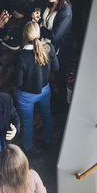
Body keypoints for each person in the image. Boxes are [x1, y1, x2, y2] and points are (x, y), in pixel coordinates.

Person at [14, 21, 59, 153]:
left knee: (27, 123)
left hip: (26, 95)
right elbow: (56, 68)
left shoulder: (20, 57)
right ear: (38, 34)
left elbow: (18, 82)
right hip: (45, 90)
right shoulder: (49, 48)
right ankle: (48, 141)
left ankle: (27, 149)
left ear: (24, 35)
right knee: (46, 115)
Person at [32, 0, 72, 110]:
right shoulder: (49, 2)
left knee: (59, 76)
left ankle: (62, 103)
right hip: (43, 44)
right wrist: (37, 20)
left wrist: (40, 27)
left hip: (58, 49)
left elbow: (55, 36)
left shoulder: (66, 11)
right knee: (42, 71)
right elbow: (42, 20)